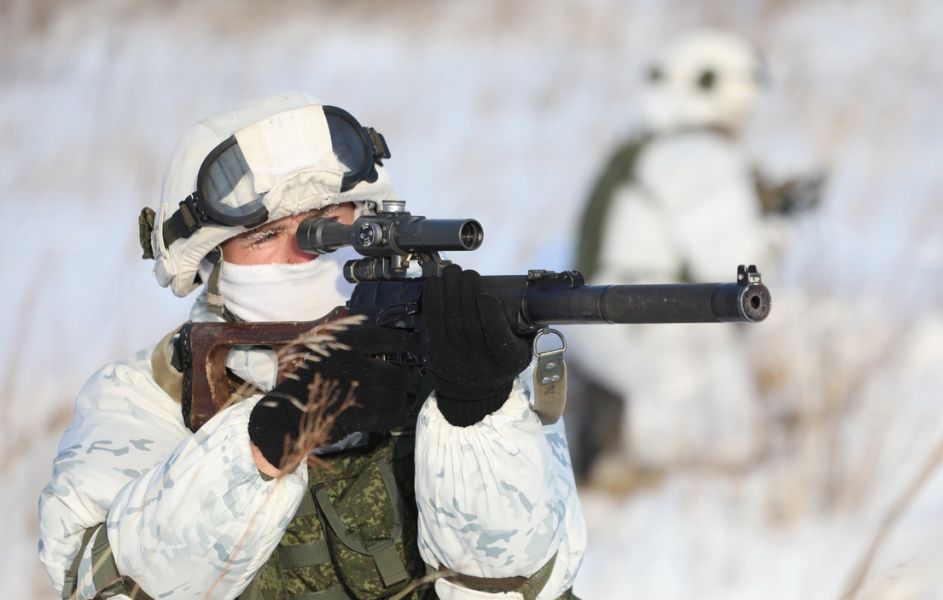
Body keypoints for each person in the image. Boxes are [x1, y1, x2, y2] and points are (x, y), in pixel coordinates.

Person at [38, 92, 586, 600]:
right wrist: (262, 444)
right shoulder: (149, 395)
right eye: (264, 237)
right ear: (210, 266)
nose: (305, 255)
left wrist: (476, 419)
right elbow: (96, 585)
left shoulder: (457, 362)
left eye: (329, 227)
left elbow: (531, 583)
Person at [567, 31, 823, 475]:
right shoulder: (697, 155)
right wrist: (779, 226)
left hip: (602, 319)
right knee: (728, 452)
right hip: (648, 333)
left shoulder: (648, 146)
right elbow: (739, 271)